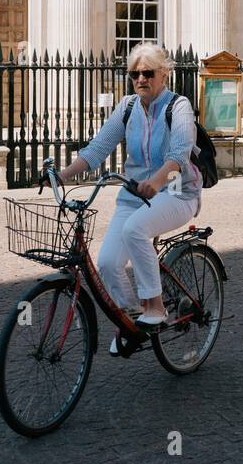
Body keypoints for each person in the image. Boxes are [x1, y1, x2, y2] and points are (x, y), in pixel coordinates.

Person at [57, 42, 201, 353]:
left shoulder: (179, 106)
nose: (140, 80)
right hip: (135, 195)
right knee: (107, 263)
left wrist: (157, 180)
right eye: (134, 74)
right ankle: (133, 320)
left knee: (135, 229)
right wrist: (62, 175)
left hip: (176, 191)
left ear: (163, 75)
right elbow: (97, 150)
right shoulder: (127, 107)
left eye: (148, 73)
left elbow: (179, 153)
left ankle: (156, 308)